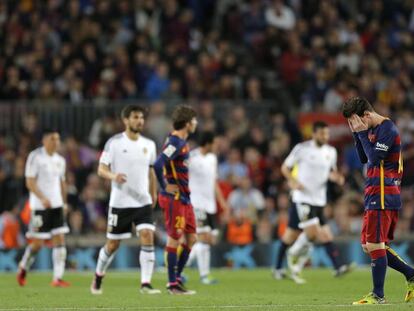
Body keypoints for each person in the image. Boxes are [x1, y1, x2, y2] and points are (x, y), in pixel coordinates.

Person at [342, 97, 414, 304]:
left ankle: (378, 295)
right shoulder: (371, 130)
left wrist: (362, 133)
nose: (353, 126)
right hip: (374, 192)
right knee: (369, 245)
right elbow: (364, 158)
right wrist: (358, 134)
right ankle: (411, 274)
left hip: (384, 193)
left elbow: (374, 159)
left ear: (366, 115)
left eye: (355, 121)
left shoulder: (387, 129)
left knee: (374, 244)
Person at [90, 105, 160, 295]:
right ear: (126, 120)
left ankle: (145, 283)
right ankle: (98, 275)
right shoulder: (114, 143)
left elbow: (151, 171)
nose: (140, 121)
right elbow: (101, 169)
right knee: (113, 245)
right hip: (120, 203)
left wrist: (153, 193)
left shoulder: (149, 145)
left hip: (142, 202)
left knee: (147, 234)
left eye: (142, 118)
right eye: (136, 117)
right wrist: (113, 176)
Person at [273, 121, 352, 283]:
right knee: (313, 233)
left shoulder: (331, 152)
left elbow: (331, 172)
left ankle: (278, 268)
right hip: (302, 198)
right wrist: (293, 181)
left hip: (319, 200)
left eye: (327, 134)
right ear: (314, 134)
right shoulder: (302, 149)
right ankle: (294, 255)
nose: (325, 137)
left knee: (296, 235)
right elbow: (285, 168)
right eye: (322, 134)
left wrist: (336, 178)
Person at [153, 105, 198, 295]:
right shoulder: (176, 142)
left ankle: (177, 278)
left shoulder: (181, 142)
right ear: (187, 123)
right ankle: (172, 285)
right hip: (175, 198)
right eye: (194, 120)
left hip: (185, 197)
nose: (196, 123)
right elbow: (157, 163)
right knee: (174, 239)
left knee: (192, 238)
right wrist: (165, 186)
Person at [17, 129, 70, 287]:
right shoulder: (35, 157)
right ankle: (23, 266)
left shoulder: (60, 160)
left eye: (58, 139)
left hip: (57, 205)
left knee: (60, 238)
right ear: (44, 140)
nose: (56, 142)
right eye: (53, 139)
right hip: (39, 206)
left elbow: (62, 183)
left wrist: (64, 202)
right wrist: (42, 198)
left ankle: (57, 278)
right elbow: (30, 182)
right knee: (38, 243)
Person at [187, 131, 229, 285]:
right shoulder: (192, 157)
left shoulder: (212, 158)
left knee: (209, 239)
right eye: (215, 143)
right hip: (197, 204)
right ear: (208, 143)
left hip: (210, 205)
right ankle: (204, 275)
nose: (217, 146)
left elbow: (214, 182)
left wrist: (222, 203)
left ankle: (179, 266)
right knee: (204, 238)